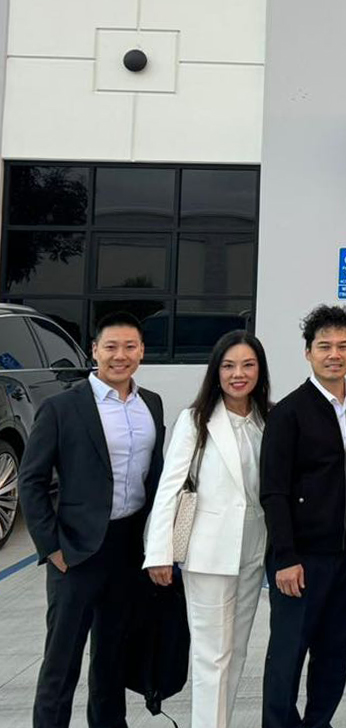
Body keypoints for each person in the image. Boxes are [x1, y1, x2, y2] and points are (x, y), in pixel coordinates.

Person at [20, 311, 165, 728]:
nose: (121, 356)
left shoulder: (151, 403)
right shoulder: (62, 407)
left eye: (130, 347)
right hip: (76, 551)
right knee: (61, 661)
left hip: (128, 548)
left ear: (142, 351)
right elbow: (31, 480)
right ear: (94, 350)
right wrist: (51, 548)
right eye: (111, 347)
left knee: (112, 659)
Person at [143, 330, 272, 728]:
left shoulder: (267, 419)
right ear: (216, 371)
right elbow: (169, 487)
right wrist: (159, 552)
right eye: (229, 366)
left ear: (260, 370)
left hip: (252, 553)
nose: (238, 374)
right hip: (208, 554)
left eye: (247, 365)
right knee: (210, 657)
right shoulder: (196, 420)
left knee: (236, 653)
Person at [260, 304, 346, 728]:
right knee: (288, 654)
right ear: (308, 352)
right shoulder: (288, 412)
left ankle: (318, 722)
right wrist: (285, 557)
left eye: (343, 346)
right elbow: (274, 491)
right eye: (324, 346)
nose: (334, 355)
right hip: (300, 559)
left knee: (334, 652)